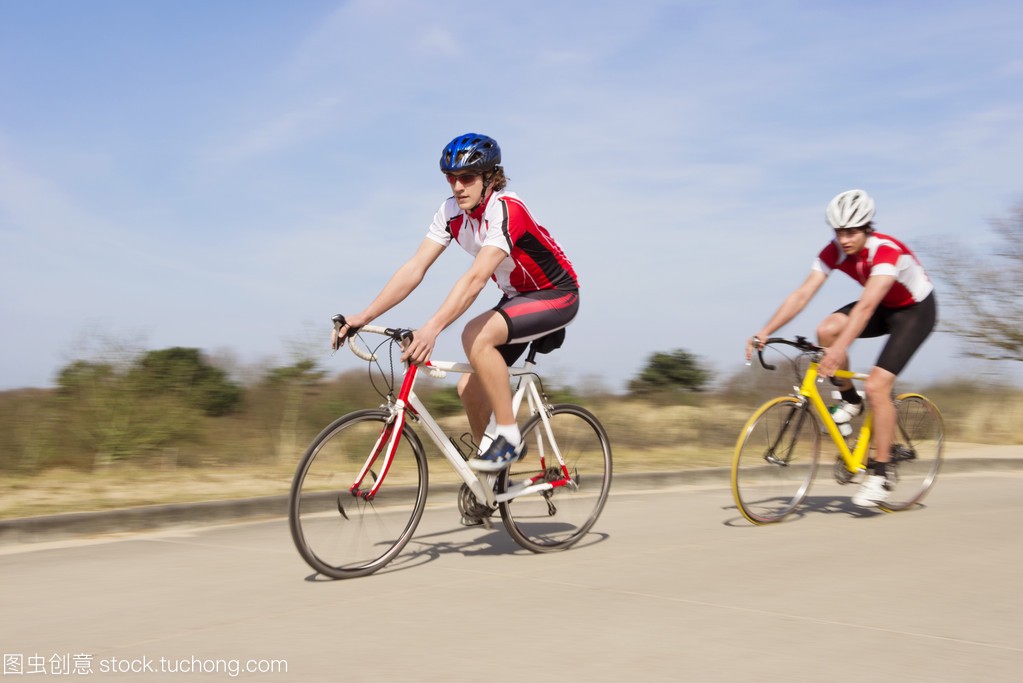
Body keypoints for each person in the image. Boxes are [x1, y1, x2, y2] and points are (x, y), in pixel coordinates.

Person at [333, 133, 579, 473]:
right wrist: (363, 315)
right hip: (517, 297)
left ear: (490, 178)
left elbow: (476, 278)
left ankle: (510, 437)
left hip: (556, 294)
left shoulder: (507, 209)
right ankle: (489, 481)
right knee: (469, 389)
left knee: (473, 335)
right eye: (451, 178)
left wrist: (432, 328)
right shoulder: (450, 213)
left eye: (467, 178)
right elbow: (414, 268)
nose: (457, 186)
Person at [746, 189, 937, 507]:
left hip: (914, 311)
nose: (844, 239)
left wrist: (839, 351)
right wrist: (765, 330)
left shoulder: (886, 251)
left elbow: (865, 308)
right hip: (882, 307)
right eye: (839, 231)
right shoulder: (833, 251)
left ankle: (880, 472)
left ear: (867, 228)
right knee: (826, 330)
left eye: (851, 232)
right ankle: (850, 399)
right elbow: (803, 294)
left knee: (877, 384)